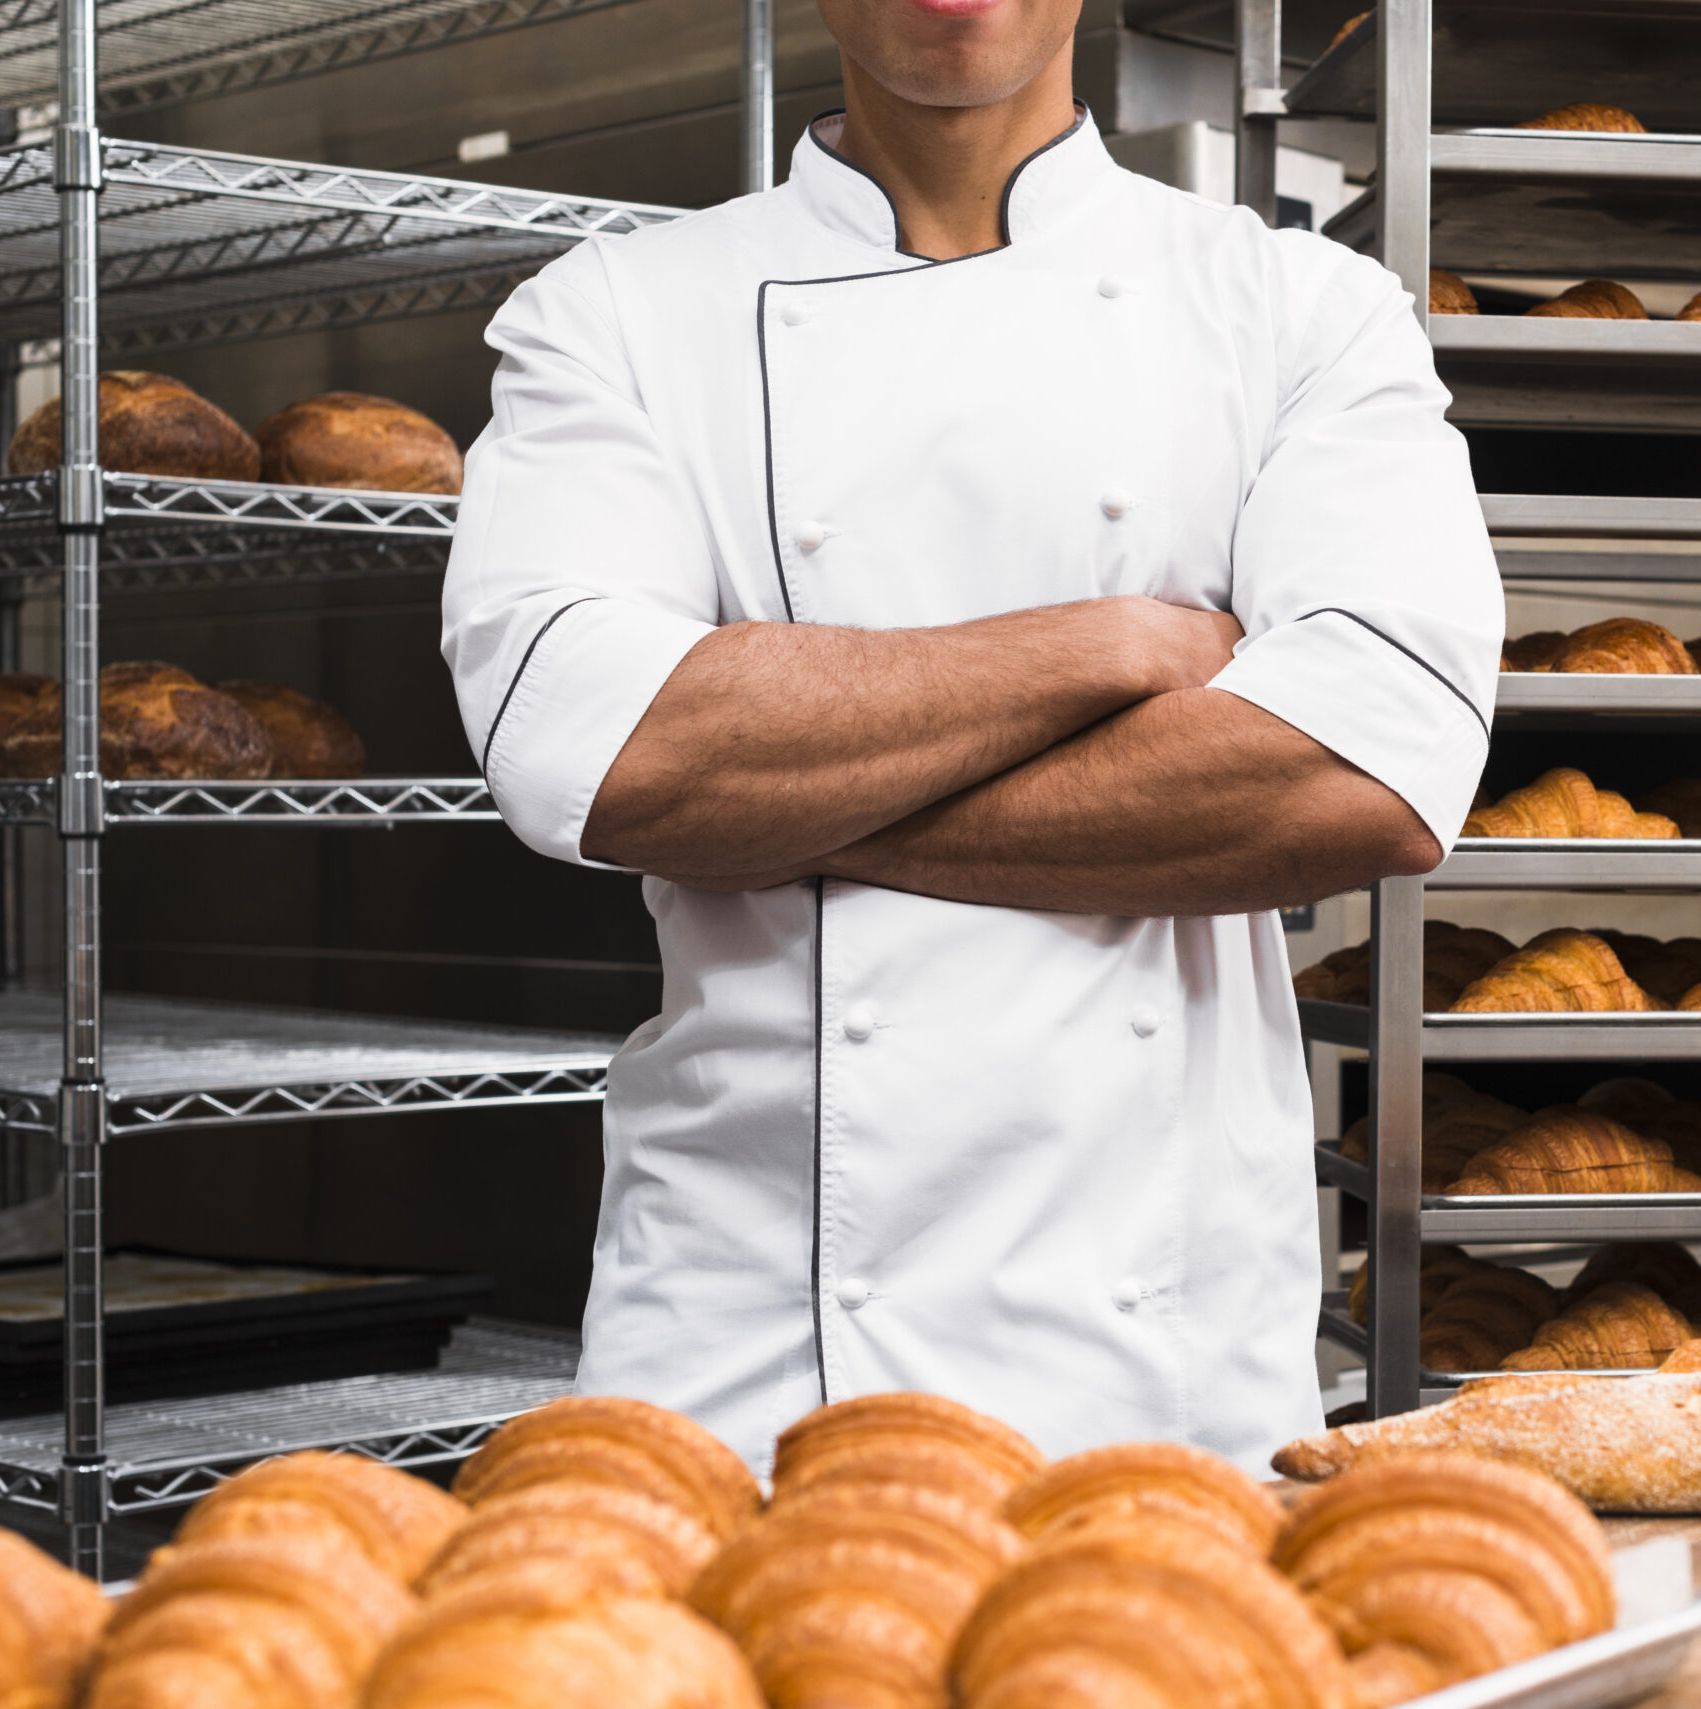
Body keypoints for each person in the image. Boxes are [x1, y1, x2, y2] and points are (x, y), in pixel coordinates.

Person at [441, 0, 1499, 1471]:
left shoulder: (1302, 311)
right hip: (748, 1369)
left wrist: (785, 805)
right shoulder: (616, 314)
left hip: (1163, 1380)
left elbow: (1367, 773)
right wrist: (1115, 644)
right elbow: (602, 752)